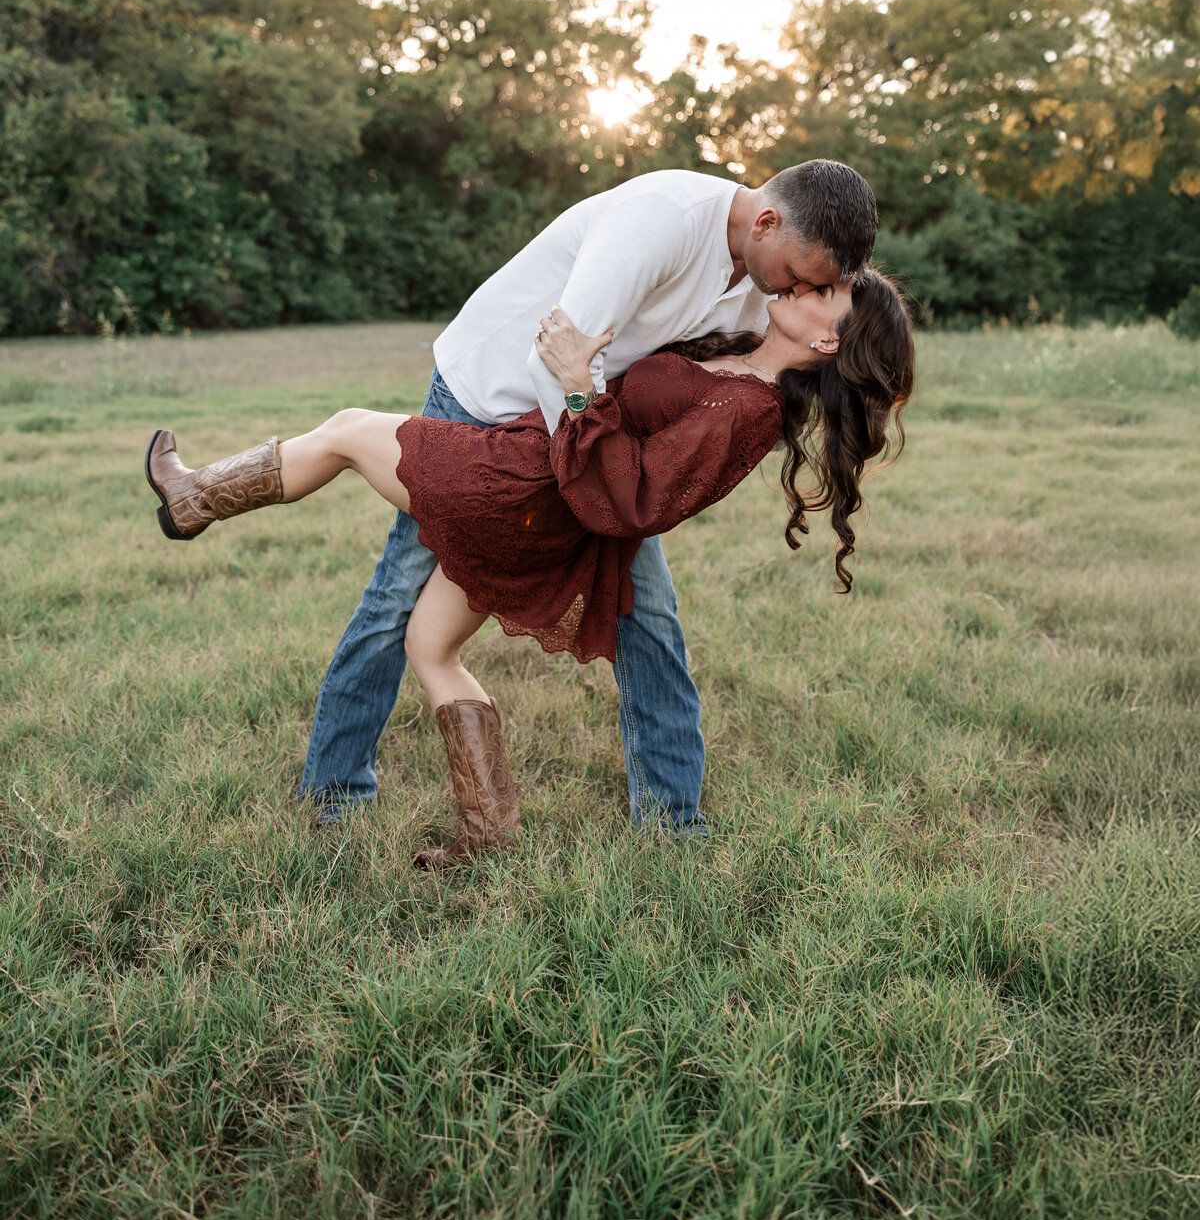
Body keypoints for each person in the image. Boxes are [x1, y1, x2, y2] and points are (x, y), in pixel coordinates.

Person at [145, 267, 915, 867]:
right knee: (429, 646)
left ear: (826, 345)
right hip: (538, 506)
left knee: (347, 431)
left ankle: (193, 498)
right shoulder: (739, 353)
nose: (804, 286)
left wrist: (580, 386)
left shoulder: (750, 408)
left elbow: (641, 502)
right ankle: (489, 827)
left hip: (523, 483)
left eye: (825, 295)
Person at [312, 161, 880, 834]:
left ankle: (671, 823)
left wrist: (608, 485)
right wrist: (592, 496)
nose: (801, 289)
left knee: (649, 617)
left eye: (816, 285)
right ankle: (334, 792)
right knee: (398, 594)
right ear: (766, 222)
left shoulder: (767, 279)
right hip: (493, 400)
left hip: (597, 446)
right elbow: (553, 358)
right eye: (801, 274)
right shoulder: (664, 218)